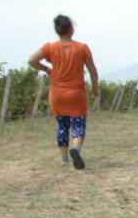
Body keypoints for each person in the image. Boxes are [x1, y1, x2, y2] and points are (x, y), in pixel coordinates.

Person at [28, 14, 99, 169]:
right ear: (71, 29)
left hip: (57, 93)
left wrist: (46, 69)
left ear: (57, 30)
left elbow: (31, 60)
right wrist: (94, 88)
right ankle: (76, 148)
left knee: (62, 126)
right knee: (78, 124)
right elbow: (93, 71)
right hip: (76, 93)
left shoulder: (50, 48)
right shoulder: (81, 48)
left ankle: (64, 158)